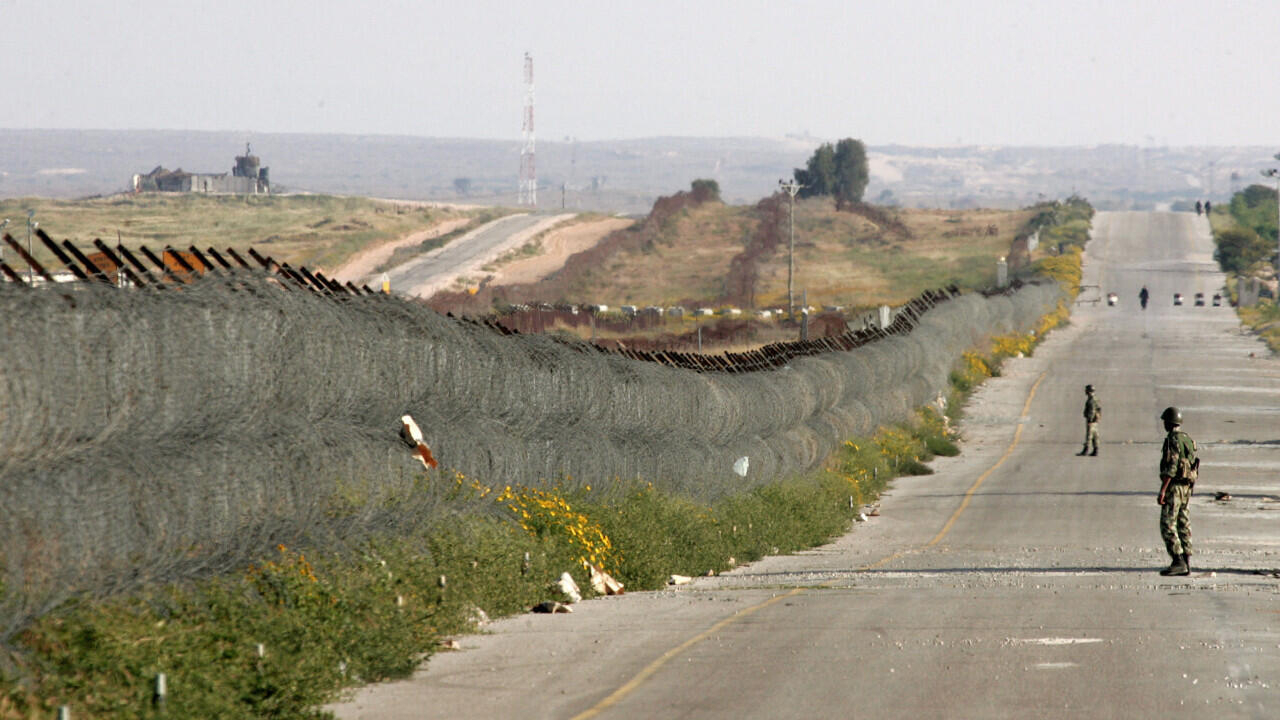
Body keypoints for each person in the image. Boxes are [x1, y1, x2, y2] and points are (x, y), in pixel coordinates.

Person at [1157, 406, 1198, 576]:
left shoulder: (1172, 440)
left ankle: (1177, 559)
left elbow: (1172, 467)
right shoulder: (1187, 439)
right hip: (1186, 487)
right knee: (1183, 522)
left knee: (1167, 523)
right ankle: (1186, 560)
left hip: (1174, 487)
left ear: (1169, 423)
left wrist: (1163, 490)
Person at [1078, 385, 1100, 456]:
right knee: (1095, 435)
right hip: (1095, 420)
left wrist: (1090, 420)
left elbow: (1092, 410)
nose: (1085, 391)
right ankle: (1095, 450)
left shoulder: (1091, 400)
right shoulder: (1095, 398)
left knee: (1089, 435)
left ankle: (1086, 450)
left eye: (1086, 390)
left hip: (1092, 420)